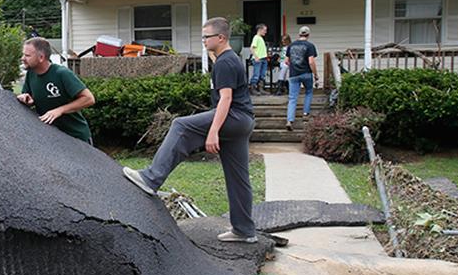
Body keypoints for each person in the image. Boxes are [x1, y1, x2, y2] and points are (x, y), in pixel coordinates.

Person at [121, 17, 257, 243]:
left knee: (181, 125)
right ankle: (244, 230)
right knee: (238, 177)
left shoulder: (225, 62)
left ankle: (151, 178)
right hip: (243, 122)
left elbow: (226, 99)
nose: (203, 40)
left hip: (233, 117)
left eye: (207, 36)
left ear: (221, 38)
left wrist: (213, 132)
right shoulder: (230, 59)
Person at [16, 37, 96, 143]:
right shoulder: (31, 74)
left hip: (76, 137)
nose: (23, 58)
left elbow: (89, 99)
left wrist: (60, 110)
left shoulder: (61, 74)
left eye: (27, 55)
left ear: (41, 57)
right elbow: (28, 96)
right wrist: (26, 99)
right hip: (52, 138)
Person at [284, 26, 318, 131]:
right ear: (308, 35)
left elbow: (286, 61)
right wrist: (315, 74)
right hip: (306, 73)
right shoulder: (310, 46)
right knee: (308, 92)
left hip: (294, 74)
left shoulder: (291, 45)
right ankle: (305, 114)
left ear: (299, 34)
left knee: (292, 98)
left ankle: (289, 120)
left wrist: (293, 67)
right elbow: (311, 62)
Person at [248, 24, 268, 94]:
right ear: (260, 30)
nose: (265, 32)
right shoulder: (256, 37)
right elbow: (252, 48)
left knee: (262, 75)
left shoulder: (261, 38)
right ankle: (253, 89)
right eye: (264, 30)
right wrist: (256, 57)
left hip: (264, 59)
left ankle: (260, 89)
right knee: (256, 74)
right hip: (258, 59)